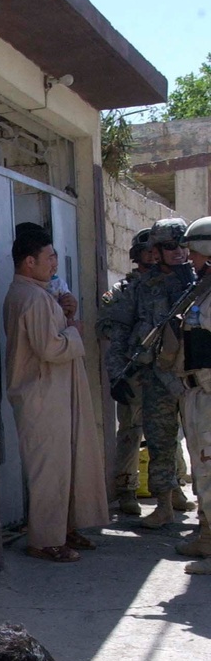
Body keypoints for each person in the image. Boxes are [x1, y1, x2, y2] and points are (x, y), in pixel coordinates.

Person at [3, 225, 108, 562]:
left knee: (67, 463)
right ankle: (45, 540)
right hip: (41, 394)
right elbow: (49, 347)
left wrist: (65, 312)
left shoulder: (39, 293)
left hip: (54, 393)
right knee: (49, 469)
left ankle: (64, 530)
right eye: (49, 258)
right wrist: (75, 332)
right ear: (29, 262)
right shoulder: (31, 297)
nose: (54, 265)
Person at [102, 217, 196, 530]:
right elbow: (120, 331)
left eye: (183, 245)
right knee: (159, 441)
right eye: (169, 246)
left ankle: (203, 512)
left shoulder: (199, 281)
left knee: (201, 444)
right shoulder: (140, 287)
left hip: (196, 377)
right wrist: (116, 375)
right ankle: (164, 504)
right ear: (155, 250)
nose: (178, 252)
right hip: (157, 376)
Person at [97, 228, 157, 517]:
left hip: (166, 371)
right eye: (148, 251)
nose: (153, 256)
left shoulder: (173, 286)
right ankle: (126, 489)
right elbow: (110, 332)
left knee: (166, 431)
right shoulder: (125, 292)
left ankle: (170, 490)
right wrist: (116, 374)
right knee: (132, 432)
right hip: (134, 370)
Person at [173, 216, 211, 573]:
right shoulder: (203, 289)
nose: (191, 261)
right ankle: (206, 536)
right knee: (202, 467)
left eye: (194, 253)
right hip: (198, 392)